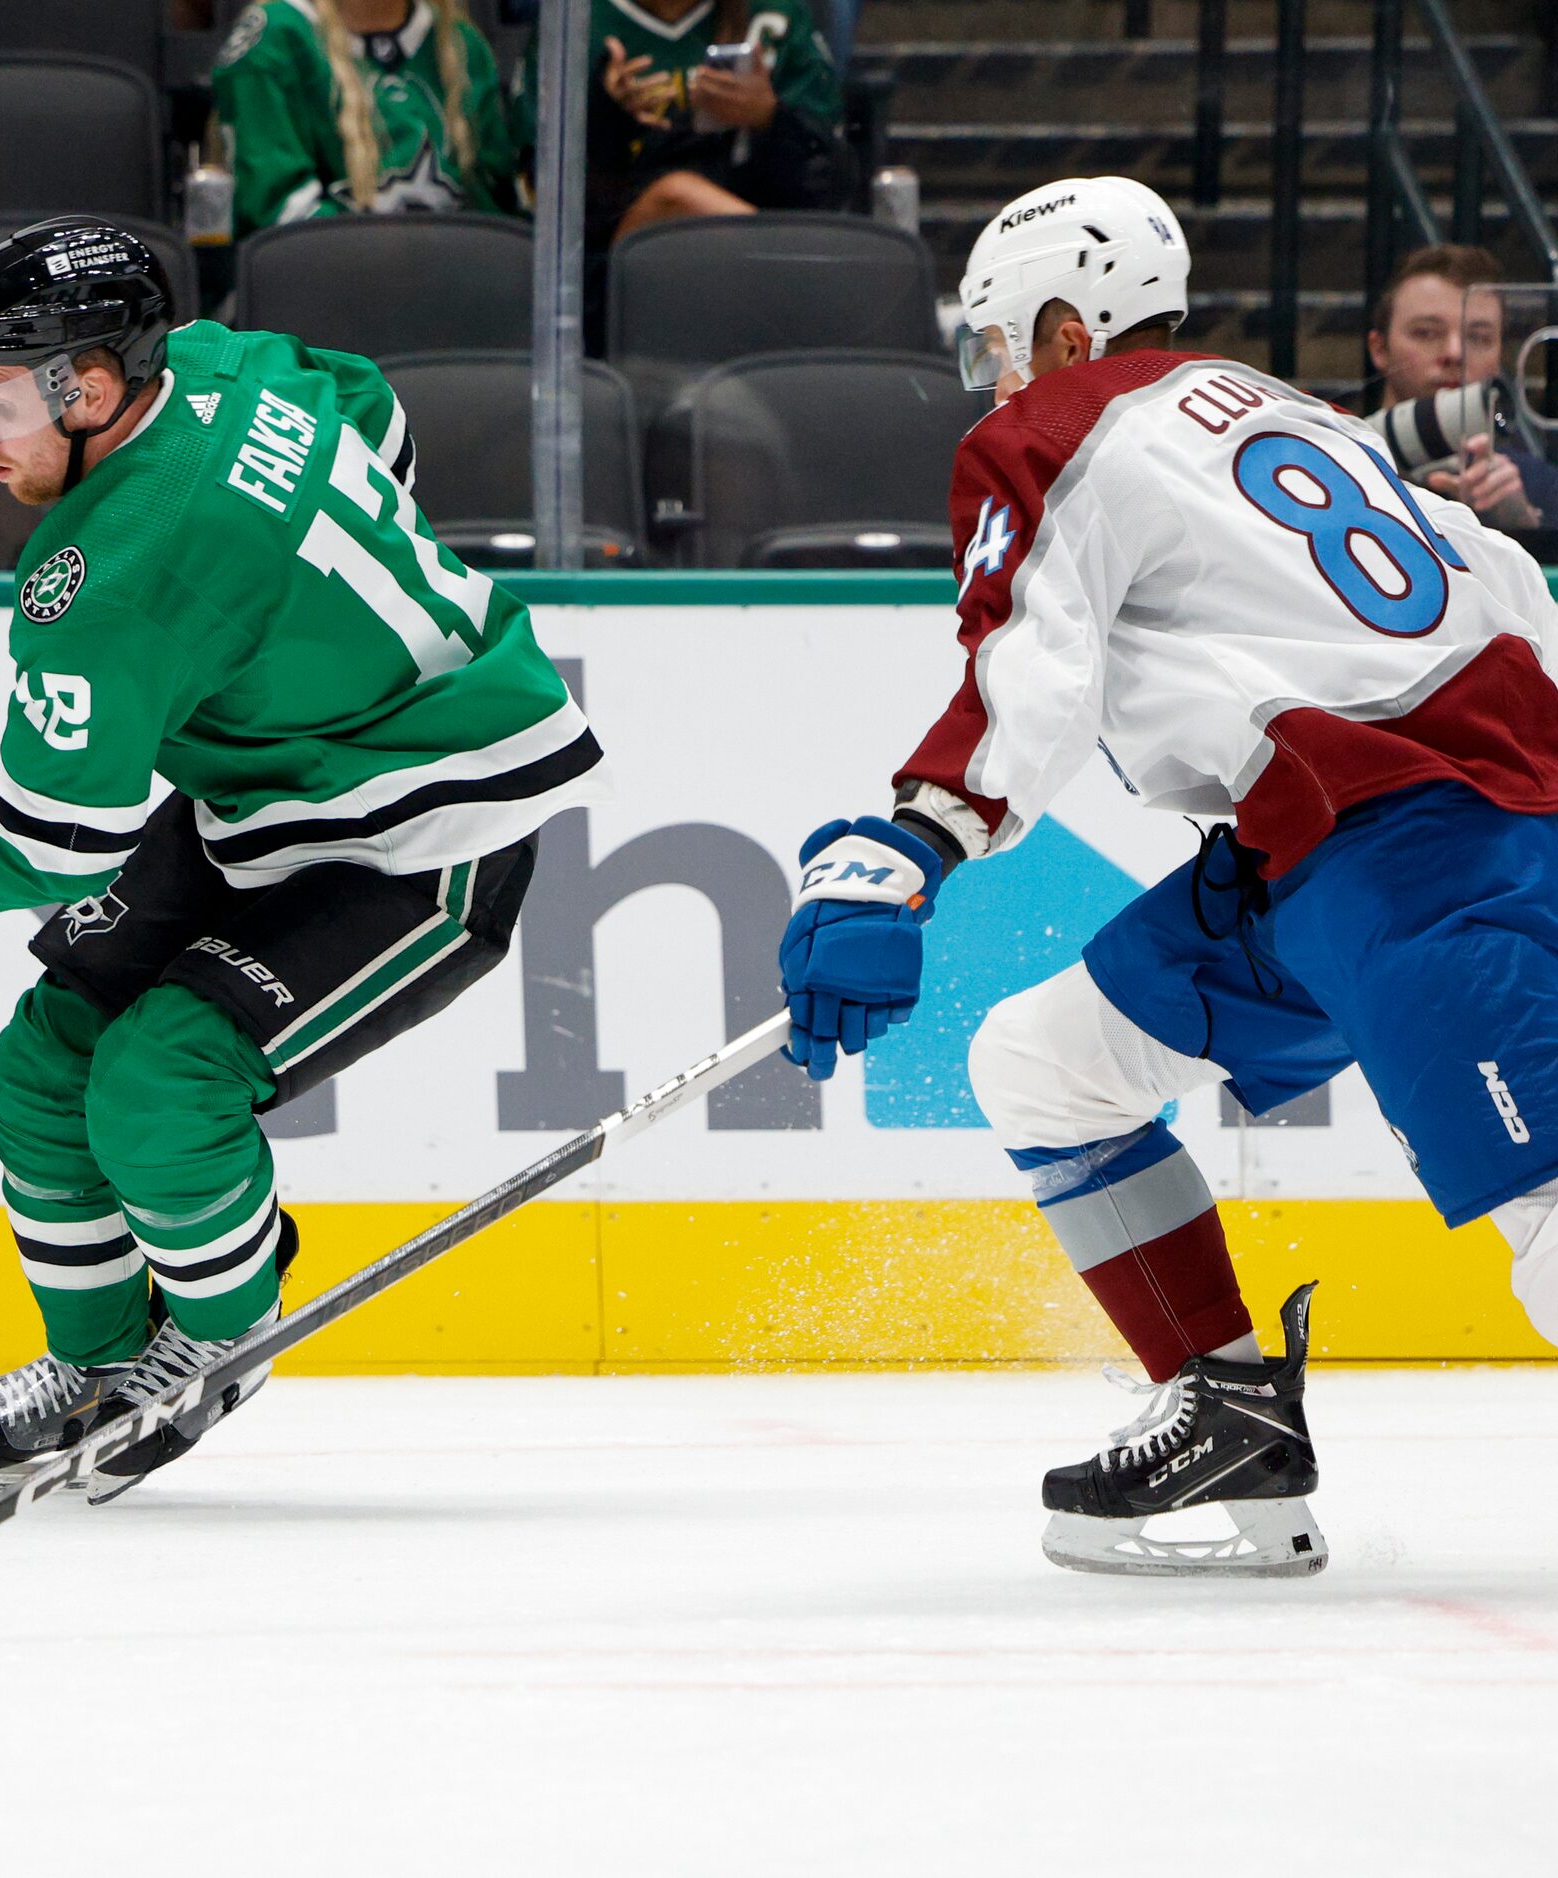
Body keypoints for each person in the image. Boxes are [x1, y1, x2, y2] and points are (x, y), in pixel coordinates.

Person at [777, 175, 1558, 1579]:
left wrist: (905, 846)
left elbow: (1032, 662)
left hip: (1426, 854)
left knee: (1552, 1217)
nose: (996, 383)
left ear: (1068, 332)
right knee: (1045, 1060)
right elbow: (1504, 582)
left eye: (1004, 343)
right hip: (1317, 858)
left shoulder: (1059, 427)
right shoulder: (1286, 411)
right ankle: (1230, 1407)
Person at [0, 219, 606, 1496]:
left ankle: (214, 1339)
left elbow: (53, 834)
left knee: (160, 1080)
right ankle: (92, 1366)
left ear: (88, 390)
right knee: (43, 1070)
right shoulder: (213, 363)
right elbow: (364, 409)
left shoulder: (117, 573)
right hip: (264, 794)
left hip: (431, 829)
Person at [211, 0, 521, 237]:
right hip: (324, 300)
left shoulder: (461, 43)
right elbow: (279, 218)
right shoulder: (274, 39)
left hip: (454, 294)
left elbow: (495, 218)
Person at [553, 0, 851, 242]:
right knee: (677, 196)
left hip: (765, 239)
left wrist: (770, 118)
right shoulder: (573, 19)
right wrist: (608, 118)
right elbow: (547, 202)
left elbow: (831, 185)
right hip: (619, 270)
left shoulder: (776, 17)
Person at [1365, 242, 1558, 537]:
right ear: (1379, 349)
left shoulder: (1536, 485)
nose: (1455, 353)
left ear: (1498, 355)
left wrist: (1523, 524)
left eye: (1479, 338)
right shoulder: (1334, 461)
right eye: (1426, 332)